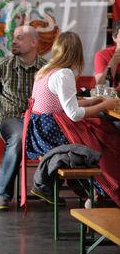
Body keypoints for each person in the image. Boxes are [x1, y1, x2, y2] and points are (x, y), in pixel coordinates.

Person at [22, 31, 120, 207]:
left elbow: (64, 103)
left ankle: (96, 191)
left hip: (38, 131)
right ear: (76, 53)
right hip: (51, 131)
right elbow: (73, 114)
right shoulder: (63, 74)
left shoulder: (46, 70)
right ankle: (103, 189)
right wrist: (104, 106)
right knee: (105, 135)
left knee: (101, 127)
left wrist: (93, 101)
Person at [0, 25, 46, 211]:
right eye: (13, 37)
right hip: (9, 119)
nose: (13, 41)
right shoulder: (2, 67)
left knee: (64, 135)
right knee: (19, 137)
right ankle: (2, 195)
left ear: (33, 42)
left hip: (38, 121)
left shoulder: (46, 70)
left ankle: (44, 188)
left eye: (20, 38)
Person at [95, 19, 120, 88]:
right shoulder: (102, 55)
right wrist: (113, 62)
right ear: (114, 38)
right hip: (110, 97)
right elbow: (100, 86)